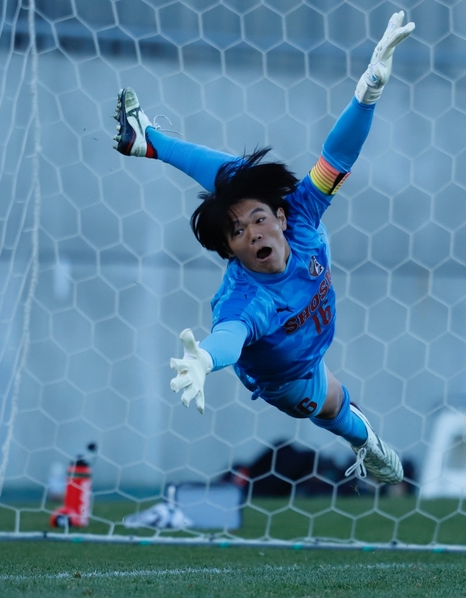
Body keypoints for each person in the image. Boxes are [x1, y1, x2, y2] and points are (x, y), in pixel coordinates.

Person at [112, 12, 415, 485]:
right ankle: (366, 443)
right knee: (333, 405)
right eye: (237, 232)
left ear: (281, 218)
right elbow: (231, 334)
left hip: (314, 334)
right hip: (289, 377)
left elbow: (337, 156)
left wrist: (367, 94)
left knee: (239, 179)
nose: (253, 232)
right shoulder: (247, 298)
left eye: (259, 219)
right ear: (231, 251)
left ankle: (151, 142)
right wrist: (205, 360)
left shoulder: (302, 213)